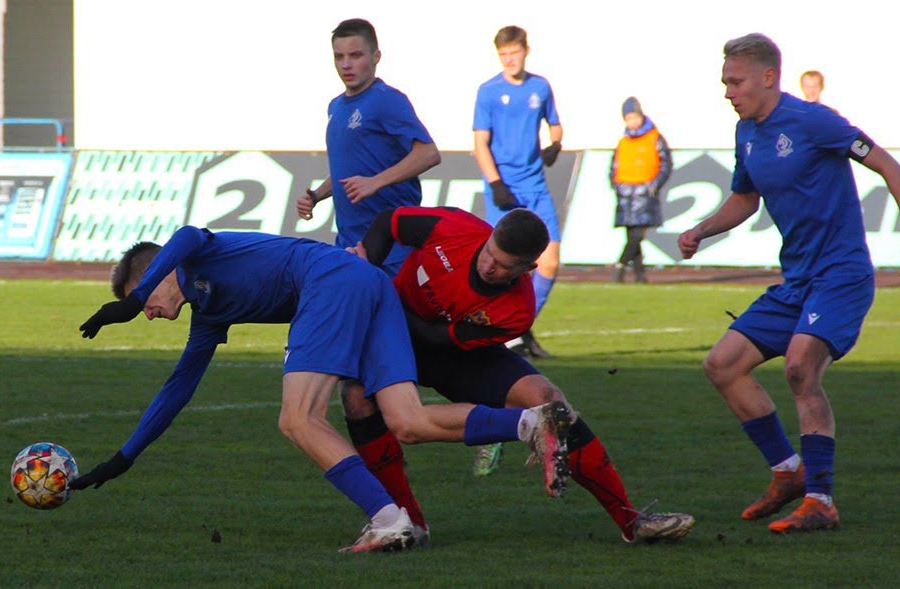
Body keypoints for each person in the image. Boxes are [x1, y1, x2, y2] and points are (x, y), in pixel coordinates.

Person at [67, 226, 571, 553]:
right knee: (408, 422)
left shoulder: (197, 254)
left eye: (146, 300)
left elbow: (184, 236)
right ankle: (531, 422)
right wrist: (124, 457)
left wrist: (131, 300)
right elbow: (178, 388)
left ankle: (387, 518)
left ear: (153, 276)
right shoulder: (208, 315)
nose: (149, 313)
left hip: (329, 281)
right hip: (368, 285)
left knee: (298, 419)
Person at [678, 33, 900, 534]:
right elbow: (745, 199)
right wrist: (701, 230)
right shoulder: (745, 132)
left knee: (800, 365)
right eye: (725, 82)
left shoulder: (814, 121)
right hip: (797, 280)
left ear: (769, 77)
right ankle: (789, 473)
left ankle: (821, 500)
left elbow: (889, 165)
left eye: (736, 82)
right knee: (723, 365)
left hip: (841, 276)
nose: (728, 92)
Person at [341, 205, 695, 544]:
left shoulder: (517, 311)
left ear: (528, 268)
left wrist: (385, 297)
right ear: (491, 234)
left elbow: (436, 338)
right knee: (356, 398)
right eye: (489, 254)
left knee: (548, 400)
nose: (489, 267)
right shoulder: (453, 227)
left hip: (449, 349)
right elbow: (389, 221)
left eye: (503, 266)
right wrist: (368, 269)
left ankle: (631, 520)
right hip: (394, 333)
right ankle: (410, 522)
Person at [298, 18, 440, 276]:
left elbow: (428, 153)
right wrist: (317, 195)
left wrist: (374, 182)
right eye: (339, 56)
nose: (346, 64)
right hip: (350, 242)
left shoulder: (387, 100)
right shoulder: (336, 106)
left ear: (376, 56)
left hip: (392, 244)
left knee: (389, 314)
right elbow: (350, 166)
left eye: (355, 55)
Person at [473, 25, 563, 361]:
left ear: (526, 50)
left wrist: (556, 144)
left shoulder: (540, 86)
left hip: (535, 185)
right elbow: (480, 142)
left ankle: (519, 327)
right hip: (505, 189)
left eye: (514, 52)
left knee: (550, 262)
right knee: (502, 265)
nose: (510, 60)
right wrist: (495, 183)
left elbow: (555, 123)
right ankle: (507, 334)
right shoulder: (489, 91)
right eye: (503, 55)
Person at [609, 96, 672, 283]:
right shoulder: (623, 142)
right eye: (628, 118)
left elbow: (665, 164)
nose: (633, 122)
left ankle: (620, 264)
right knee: (631, 235)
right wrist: (616, 185)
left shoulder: (655, 138)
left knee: (638, 234)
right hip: (625, 193)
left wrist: (654, 184)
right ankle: (639, 275)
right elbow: (613, 167)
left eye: (635, 117)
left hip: (645, 193)